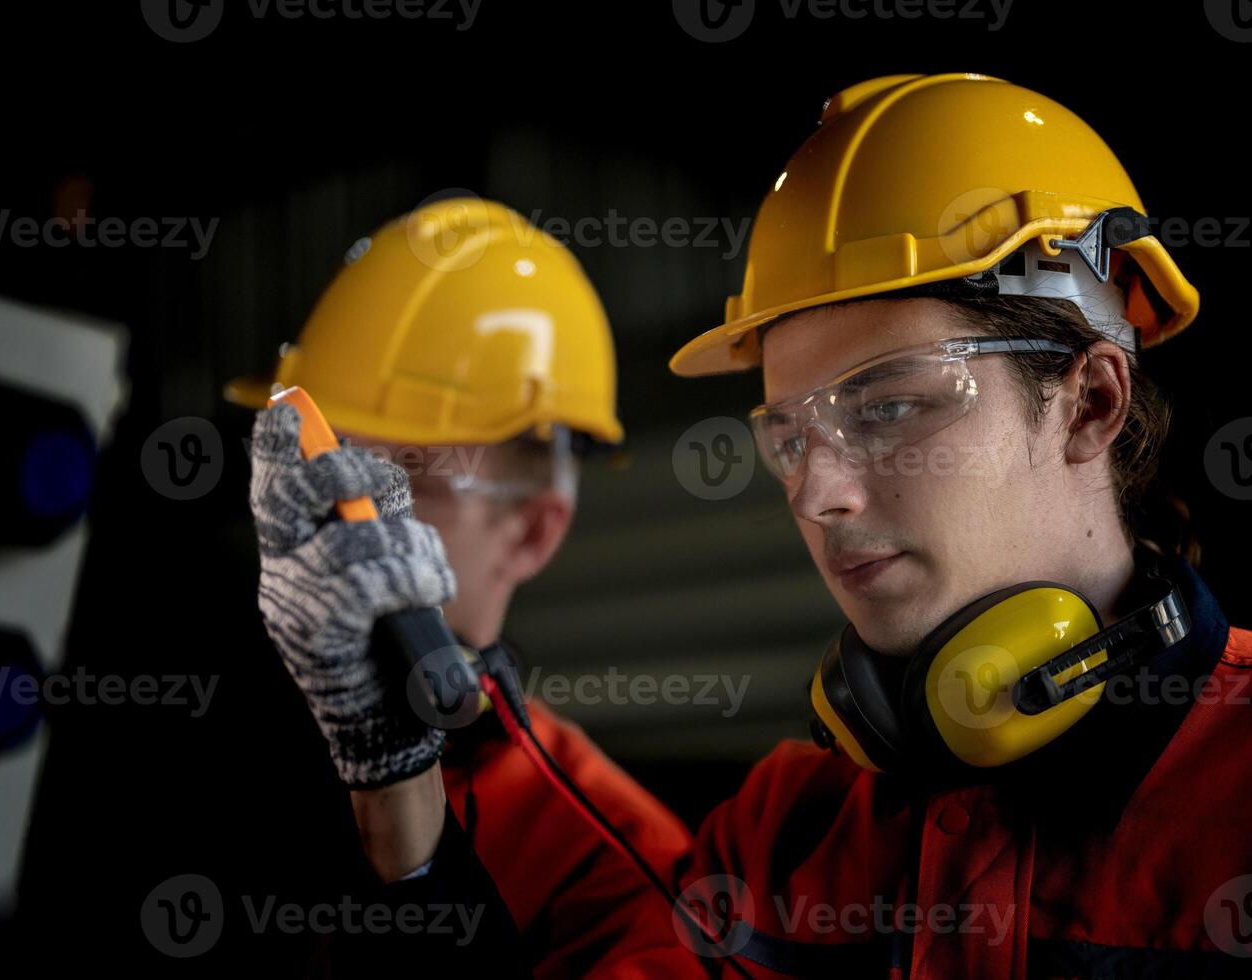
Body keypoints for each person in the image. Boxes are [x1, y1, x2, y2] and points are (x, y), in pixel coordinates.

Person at [249, 74, 1252, 977]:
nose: (817, 493)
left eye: (889, 405)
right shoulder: (785, 832)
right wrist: (397, 798)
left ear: (1091, 400)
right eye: (789, 435)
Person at [231, 197, 690, 977]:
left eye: (403, 484)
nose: (346, 525)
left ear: (533, 531)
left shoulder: (609, 866)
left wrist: (406, 843)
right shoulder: (216, 742)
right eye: (322, 469)